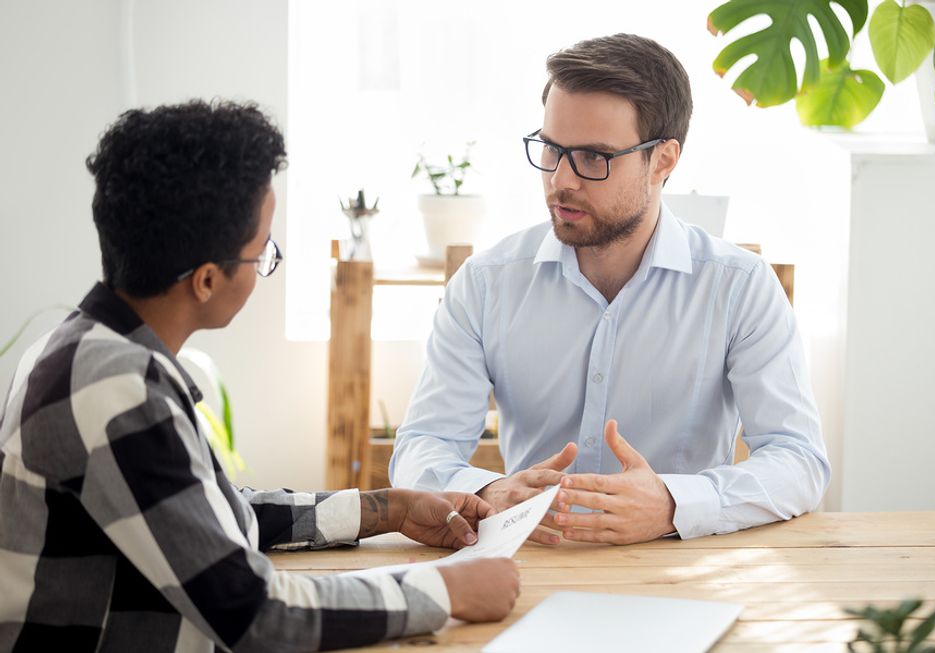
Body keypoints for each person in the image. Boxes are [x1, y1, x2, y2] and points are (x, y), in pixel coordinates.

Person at [0, 101, 518, 653]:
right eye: (262, 253)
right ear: (205, 280)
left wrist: (387, 509)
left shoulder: (86, 348)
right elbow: (254, 613)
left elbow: (212, 516)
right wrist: (444, 591)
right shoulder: (113, 391)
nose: (265, 266)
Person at [390, 33, 830, 545]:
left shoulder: (740, 288)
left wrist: (672, 503)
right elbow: (422, 446)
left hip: (682, 574)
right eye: (551, 149)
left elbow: (799, 461)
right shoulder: (487, 284)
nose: (561, 180)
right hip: (528, 566)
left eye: (594, 158)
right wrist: (489, 491)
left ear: (663, 160)